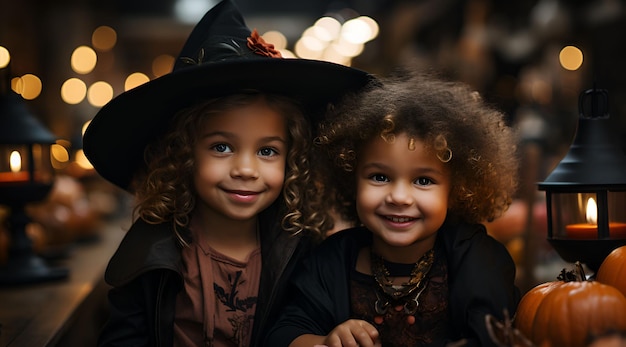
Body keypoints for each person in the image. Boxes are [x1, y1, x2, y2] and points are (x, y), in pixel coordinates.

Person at [81, 1, 373, 346]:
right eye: (222, 147)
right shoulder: (149, 252)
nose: (246, 170)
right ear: (184, 154)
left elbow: (304, 325)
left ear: (292, 160)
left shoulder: (303, 250)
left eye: (267, 151)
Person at [265, 70, 521, 347]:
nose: (399, 197)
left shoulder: (478, 259)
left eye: (423, 181)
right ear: (351, 177)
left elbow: (493, 339)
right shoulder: (330, 260)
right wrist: (326, 341)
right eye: (379, 177)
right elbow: (282, 335)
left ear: (457, 190)